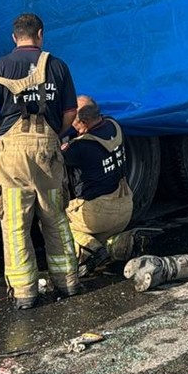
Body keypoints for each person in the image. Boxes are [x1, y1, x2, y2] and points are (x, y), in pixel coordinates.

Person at [0, 13, 80, 309]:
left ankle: (25, 292)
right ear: (40, 34)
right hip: (48, 149)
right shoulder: (57, 66)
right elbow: (71, 113)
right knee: (54, 217)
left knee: (16, 222)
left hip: (14, 153)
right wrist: (53, 135)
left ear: (14, 37)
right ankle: (68, 283)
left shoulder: (0, 67)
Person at [61, 95, 134, 276]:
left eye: (74, 121)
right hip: (125, 205)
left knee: (54, 222)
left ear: (84, 122)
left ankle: (92, 250)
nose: (71, 125)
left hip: (98, 214)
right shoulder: (114, 125)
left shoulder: (80, 147)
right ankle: (117, 243)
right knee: (100, 234)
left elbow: (51, 157)